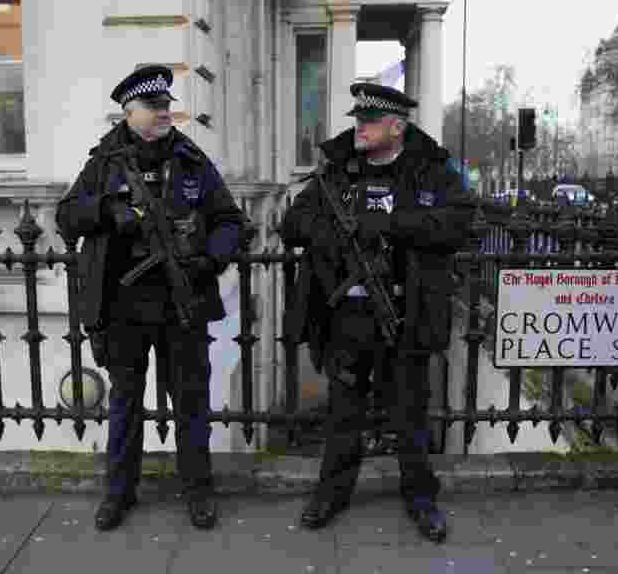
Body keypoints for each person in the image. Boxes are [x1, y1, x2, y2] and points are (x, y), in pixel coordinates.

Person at [55, 65, 249, 532]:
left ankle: (198, 491)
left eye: (167, 105)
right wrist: (108, 210)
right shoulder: (104, 162)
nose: (165, 112)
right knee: (125, 402)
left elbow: (229, 221)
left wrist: (210, 260)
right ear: (129, 112)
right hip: (122, 305)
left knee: (190, 401)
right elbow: (67, 216)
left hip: (181, 300)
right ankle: (119, 492)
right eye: (154, 106)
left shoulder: (190, 159)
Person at [280, 82, 474, 543]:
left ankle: (421, 498)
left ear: (396, 126)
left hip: (407, 313)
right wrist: (335, 235)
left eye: (368, 121)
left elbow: (461, 222)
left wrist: (390, 225)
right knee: (344, 411)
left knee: (408, 412)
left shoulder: (433, 169)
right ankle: (331, 493)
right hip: (347, 317)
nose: (359, 128)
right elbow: (292, 223)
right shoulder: (337, 170)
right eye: (358, 120)